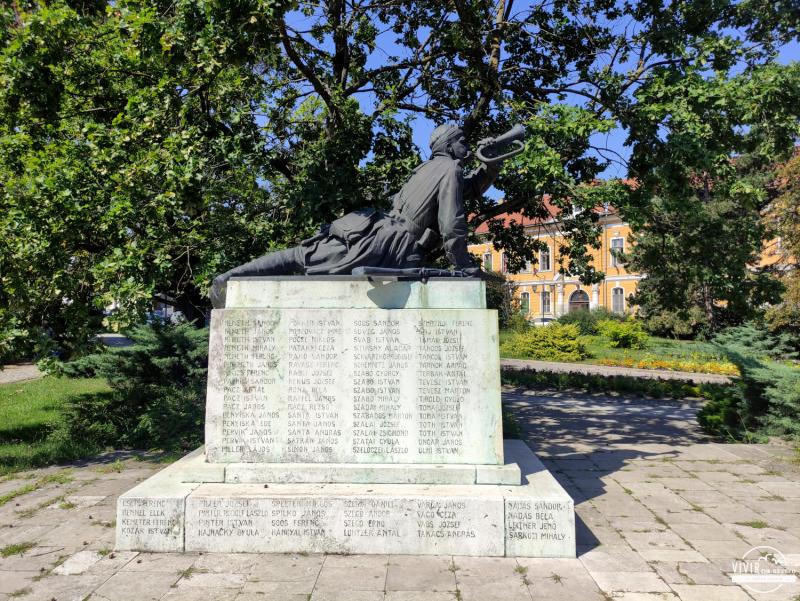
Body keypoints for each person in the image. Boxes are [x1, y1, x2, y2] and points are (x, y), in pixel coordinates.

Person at [210, 123, 500, 308]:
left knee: (304, 254)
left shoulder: (425, 169)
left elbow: (467, 189)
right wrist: (463, 264)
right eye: (463, 141)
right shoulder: (451, 168)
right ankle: (230, 277)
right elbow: (452, 223)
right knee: (305, 256)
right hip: (389, 246)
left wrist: (491, 166)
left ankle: (231, 276)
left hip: (376, 230)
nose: (467, 146)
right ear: (450, 146)